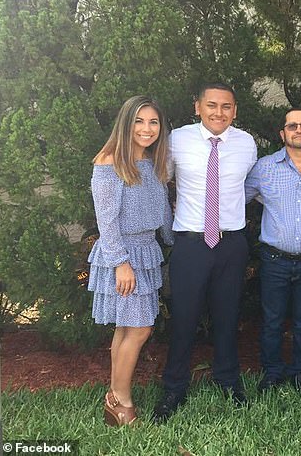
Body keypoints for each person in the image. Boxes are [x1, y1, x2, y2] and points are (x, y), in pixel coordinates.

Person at [153, 82, 257, 422]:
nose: (219, 112)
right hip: (191, 243)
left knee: (227, 316)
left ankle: (228, 381)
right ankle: (174, 387)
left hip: (231, 243)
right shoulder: (177, 140)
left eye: (226, 106)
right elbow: (159, 181)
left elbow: (251, 186)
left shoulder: (246, 144)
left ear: (235, 111)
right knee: (184, 317)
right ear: (197, 106)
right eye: (211, 105)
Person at [88, 95, 174, 426]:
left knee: (128, 329)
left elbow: (162, 206)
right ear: (126, 123)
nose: (146, 128)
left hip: (146, 252)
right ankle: (119, 399)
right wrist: (121, 263)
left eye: (153, 122)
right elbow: (106, 221)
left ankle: (115, 395)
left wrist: (171, 239)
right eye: (139, 121)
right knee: (140, 329)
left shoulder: (154, 162)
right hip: (123, 254)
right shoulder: (110, 161)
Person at [245, 108, 301, 396]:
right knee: (272, 319)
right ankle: (272, 373)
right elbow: (238, 199)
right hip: (274, 259)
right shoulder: (264, 168)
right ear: (282, 133)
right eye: (292, 126)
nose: (299, 130)